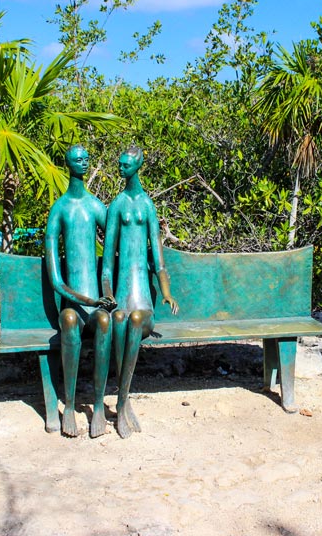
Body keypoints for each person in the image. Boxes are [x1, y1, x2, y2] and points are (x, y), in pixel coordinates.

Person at [102, 146, 179, 438]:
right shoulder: (117, 205)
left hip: (143, 303)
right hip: (121, 296)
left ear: (137, 166)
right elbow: (108, 261)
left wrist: (167, 292)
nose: (120, 168)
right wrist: (107, 292)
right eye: (118, 164)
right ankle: (124, 405)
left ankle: (121, 404)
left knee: (134, 320)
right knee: (120, 319)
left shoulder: (147, 206)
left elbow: (158, 260)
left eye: (125, 164)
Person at [45, 144, 114, 438]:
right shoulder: (59, 210)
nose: (83, 163)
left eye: (86, 158)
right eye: (77, 159)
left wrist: (107, 291)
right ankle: (70, 406)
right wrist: (86, 299)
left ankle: (99, 406)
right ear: (67, 164)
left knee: (105, 321)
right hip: (73, 304)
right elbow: (56, 281)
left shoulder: (95, 206)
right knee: (71, 322)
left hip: (96, 304)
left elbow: (114, 244)